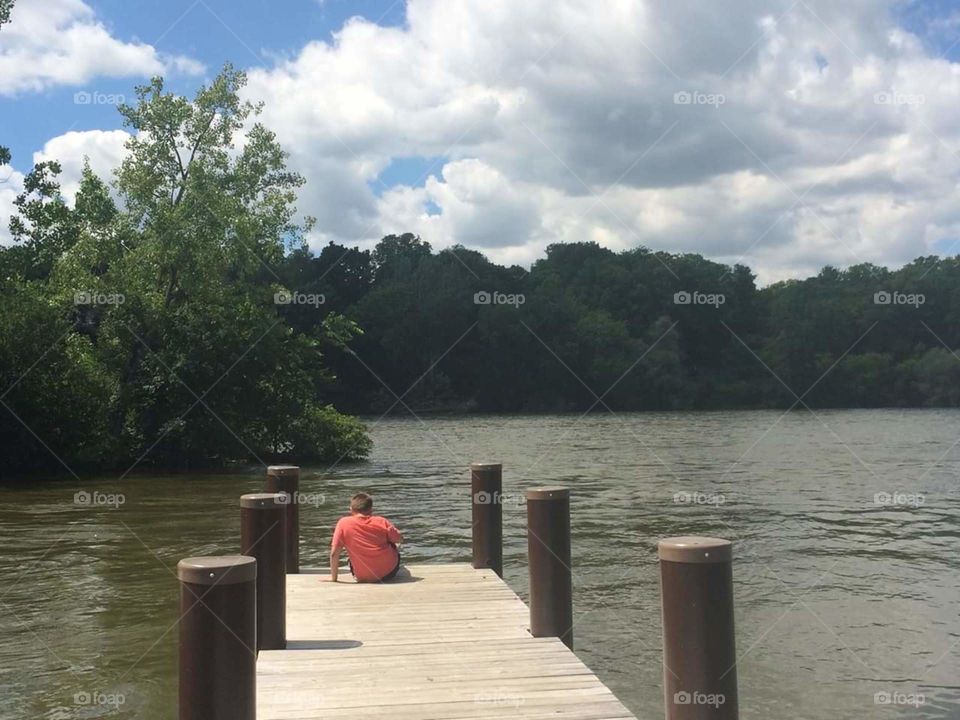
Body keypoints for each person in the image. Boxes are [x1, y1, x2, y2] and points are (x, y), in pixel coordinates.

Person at [326, 492, 403, 582]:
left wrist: (334, 579)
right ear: (371, 509)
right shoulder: (382, 521)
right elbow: (400, 539)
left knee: (351, 556)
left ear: (351, 509)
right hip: (388, 574)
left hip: (362, 576)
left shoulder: (343, 523)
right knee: (394, 544)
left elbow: (334, 553)